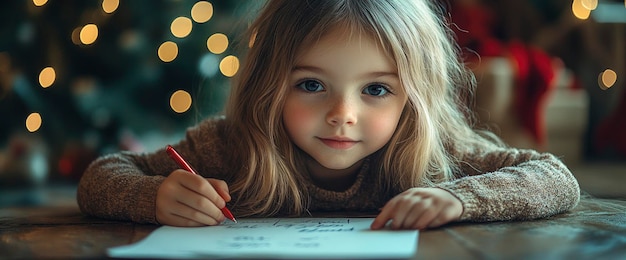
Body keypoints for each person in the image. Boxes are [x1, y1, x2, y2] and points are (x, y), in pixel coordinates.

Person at [77, 0, 580, 230]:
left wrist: (458, 198)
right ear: (267, 87)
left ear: (413, 99)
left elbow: (555, 178)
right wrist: (154, 195)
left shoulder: (436, 152)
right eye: (311, 85)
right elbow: (101, 177)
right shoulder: (229, 146)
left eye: (377, 89)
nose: (343, 114)